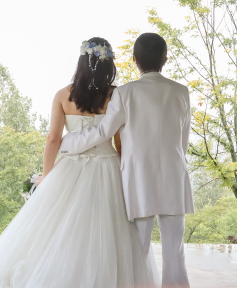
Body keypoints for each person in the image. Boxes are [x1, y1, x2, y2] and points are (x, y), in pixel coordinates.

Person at [0, 37, 159, 288]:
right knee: (107, 232)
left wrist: (47, 176)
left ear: (81, 62)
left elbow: (53, 138)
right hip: (107, 166)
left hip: (69, 168)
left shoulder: (62, 95)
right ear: (109, 65)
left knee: (60, 230)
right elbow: (119, 141)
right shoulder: (115, 95)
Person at [59, 33, 194, 288]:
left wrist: (68, 143)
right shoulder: (181, 92)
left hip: (139, 178)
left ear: (134, 60)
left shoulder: (125, 93)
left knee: (138, 249)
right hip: (174, 176)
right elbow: (182, 140)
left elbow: (102, 133)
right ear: (166, 57)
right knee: (175, 250)